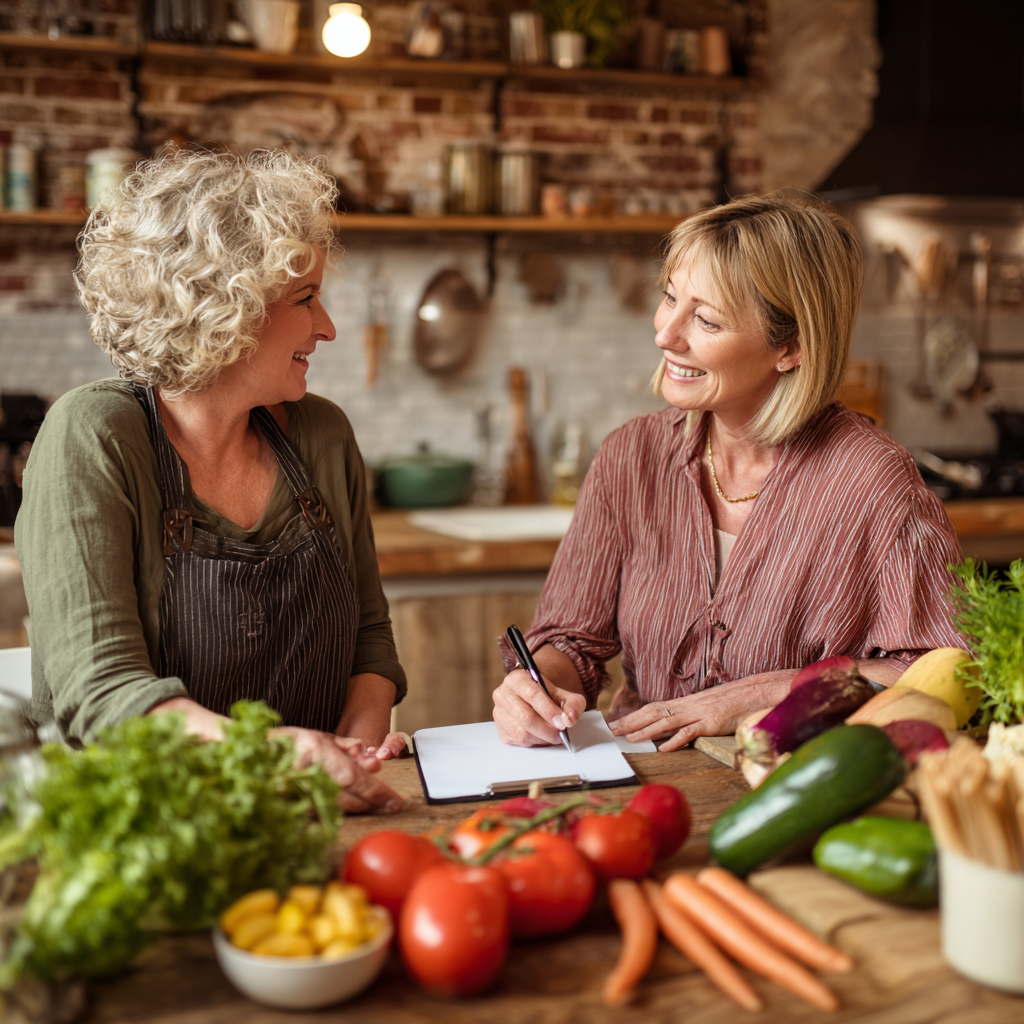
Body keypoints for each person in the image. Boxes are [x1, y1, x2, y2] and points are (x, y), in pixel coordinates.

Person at [492, 193, 966, 752]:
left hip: (786, 781)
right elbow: (572, 641)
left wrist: (763, 694)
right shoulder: (631, 456)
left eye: (706, 320)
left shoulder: (874, 481)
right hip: (644, 777)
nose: (666, 335)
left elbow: (943, 670)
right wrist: (539, 687)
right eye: (670, 297)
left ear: (791, 347)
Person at [16, 150, 407, 812]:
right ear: (225, 309)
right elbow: (103, 691)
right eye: (306, 299)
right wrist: (277, 759)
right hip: (138, 827)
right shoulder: (94, 436)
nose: (327, 327)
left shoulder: (323, 435)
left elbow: (369, 640)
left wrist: (356, 754)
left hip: (313, 815)